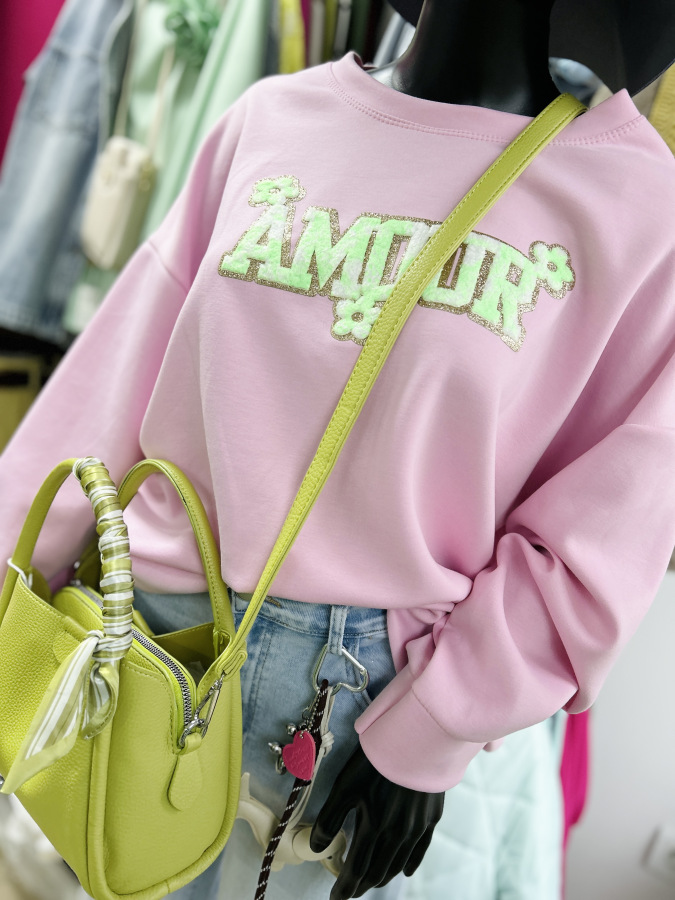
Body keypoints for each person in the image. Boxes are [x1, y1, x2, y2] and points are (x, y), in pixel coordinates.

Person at [2, 1, 675, 898]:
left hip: (367, 705)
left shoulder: (633, 202)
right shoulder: (272, 118)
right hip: (157, 646)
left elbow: (609, 523)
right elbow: (112, 379)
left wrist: (435, 721)